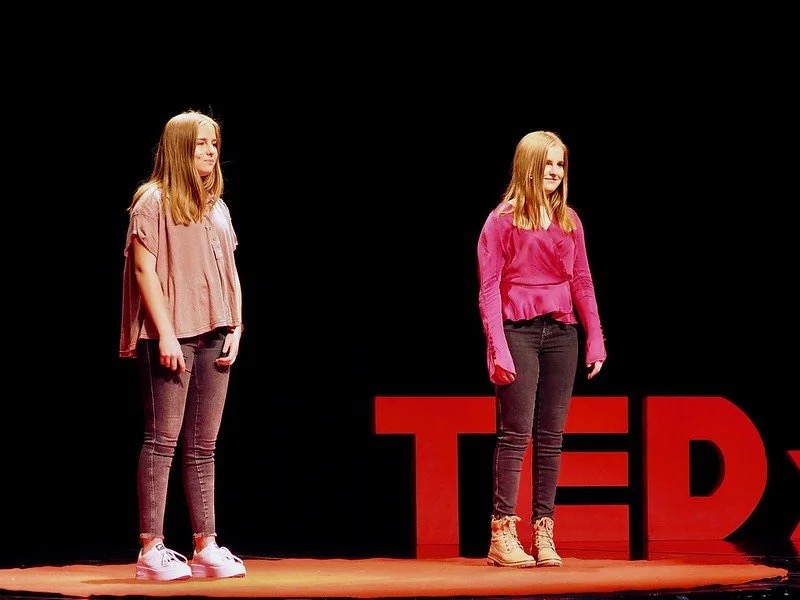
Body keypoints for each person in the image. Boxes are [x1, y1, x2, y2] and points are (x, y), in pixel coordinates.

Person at [119, 110, 247, 581]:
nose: (210, 152)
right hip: (171, 335)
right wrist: (167, 331)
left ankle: (205, 545)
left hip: (215, 331)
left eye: (213, 143)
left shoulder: (217, 206)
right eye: (199, 145)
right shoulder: (152, 201)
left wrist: (237, 323)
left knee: (203, 445)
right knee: (162, 440)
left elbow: (229, 272)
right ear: (178, 149)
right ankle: (151, 548)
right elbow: (143, 270)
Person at [477, 130, 606, 568]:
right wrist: (498, 346)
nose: (554, 173)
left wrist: (596, 338)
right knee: (516, 434)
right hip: (518, 331)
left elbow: (582, 280)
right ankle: (502, 533)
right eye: (548, 164)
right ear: (528, 166)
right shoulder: (501, 220)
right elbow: (489, 288)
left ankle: (544, 530)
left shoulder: (569, 220)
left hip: (562, 333)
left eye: (560, 165)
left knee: (551, 437)